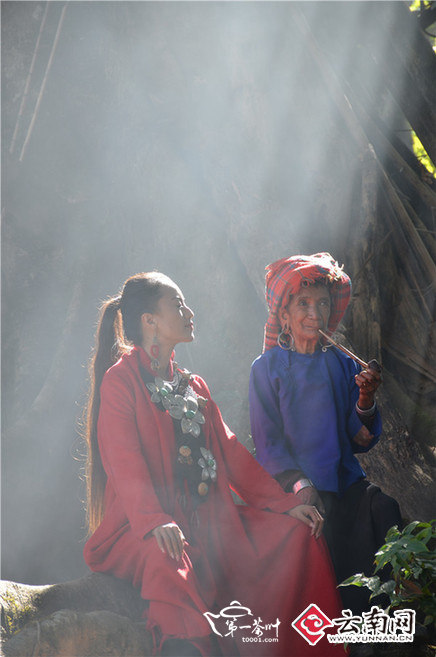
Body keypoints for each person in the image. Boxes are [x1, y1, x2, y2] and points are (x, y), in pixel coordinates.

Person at [83, 271, 344, 657]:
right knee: (168, 559)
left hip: (209, 522)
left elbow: (232, 452)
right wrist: (154, 519)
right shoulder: (120, 381)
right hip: (142, 528)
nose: (189, 312)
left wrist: (285, 504)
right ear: (149, 321)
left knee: (297, 534)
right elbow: (123, 461)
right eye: (178, 305)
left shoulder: (194, 385)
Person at [249, 253, 402, 616]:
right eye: (303, 304)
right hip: (295, 488)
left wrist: (365, 398)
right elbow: (268, 443)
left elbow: (360, 438)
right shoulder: (266, 369)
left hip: (343, 482)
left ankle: (388, 618)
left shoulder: (341, 363)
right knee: (317, 540)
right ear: (284, 316)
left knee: (383, 509)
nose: (314, 313)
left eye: (322, 303)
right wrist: (301, 485)